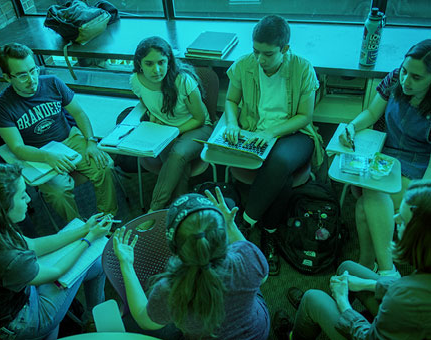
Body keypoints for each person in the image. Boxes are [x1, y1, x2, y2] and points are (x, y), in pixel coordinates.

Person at [0, 162, 110, 339]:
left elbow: (34, 246)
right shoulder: (5, 257)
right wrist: (88, 239)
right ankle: (90, 321)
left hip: (11, 297)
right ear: (0, 209)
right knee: (97, 261)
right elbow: (55, 272)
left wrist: (84, 229)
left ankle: (92, 320)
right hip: (21, 321)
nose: (29, 200)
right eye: (22, 197)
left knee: (97, 264)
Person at [223, 15, 323, 274]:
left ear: (285, 49)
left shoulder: (302, 68)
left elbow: (305, 116)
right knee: (283, 177)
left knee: (279, 161)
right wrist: (232, 124)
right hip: (254, 132)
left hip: (295, 134)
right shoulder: (245, 65)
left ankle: (245, 223)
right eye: (256, 51)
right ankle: (270, 233)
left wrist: (271, 132)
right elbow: (231, 101)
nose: (260, 59)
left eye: (267, 54)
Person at [273, 179, 431, 340]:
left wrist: (344, 304)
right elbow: (409, 289)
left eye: (403, 220)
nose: (395, 218)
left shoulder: (401, 299)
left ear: (419, 238)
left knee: (312, 299)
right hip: (406, 318)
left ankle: (293, 335)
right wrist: (369, 284)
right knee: (347, 268)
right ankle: (323, 311)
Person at [113, 187, 270, 340]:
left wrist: (126, 263)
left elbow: (144, 320)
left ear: (174, 248)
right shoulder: (247, 255)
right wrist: (230, 225)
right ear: (223, 237)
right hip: (257, 332)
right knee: (254, 276)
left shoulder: (169, 289)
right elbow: (262, 278)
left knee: (130, 322)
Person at [0, 43, 118, 223]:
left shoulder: (52, 82)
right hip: (37, 154)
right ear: (7, 77)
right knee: (58, 192)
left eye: (33, 70)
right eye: (21, 75)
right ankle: (78, 229)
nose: (31, 79)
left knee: (104, 165)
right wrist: (48, 157)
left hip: (69, 139)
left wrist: (91, 142)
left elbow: (78, 113)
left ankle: (107, 219)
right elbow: (17, 147)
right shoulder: (1, 106)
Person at [338, 39, 431, 277]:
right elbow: (371, 113)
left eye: (416, 78)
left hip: (419, 168)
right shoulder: (394, 80)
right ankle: (374, 266)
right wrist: (352, 126)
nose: (406, 81)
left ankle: (381, 269)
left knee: (370, 193)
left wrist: (419, 196)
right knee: (364, 204)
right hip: (386, 153)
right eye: (404, 71)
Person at [130, 36, 213, 212]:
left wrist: (172, 132)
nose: (156, 69)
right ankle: (181, 213)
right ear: (139, 64)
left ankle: (155, 208)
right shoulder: (136, 81)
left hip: (198, 127)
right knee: (178, 167)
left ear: (169, 61)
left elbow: (198, 119)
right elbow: (146, 101)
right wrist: (153, 115)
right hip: (166, 130)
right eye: (149, 64)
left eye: (161, 62)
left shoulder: (183, 81)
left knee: (177, 155)